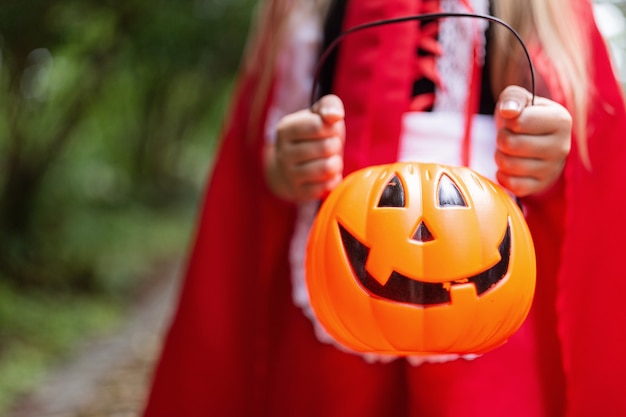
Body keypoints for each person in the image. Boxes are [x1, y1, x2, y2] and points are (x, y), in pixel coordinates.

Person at [142, 0, 626, 416]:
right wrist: (288, 164)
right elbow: (263, 148)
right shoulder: (305, 8)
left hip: (492, 323)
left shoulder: (546, 12)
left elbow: (593, 161)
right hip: (333, 298)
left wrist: (544, 154)